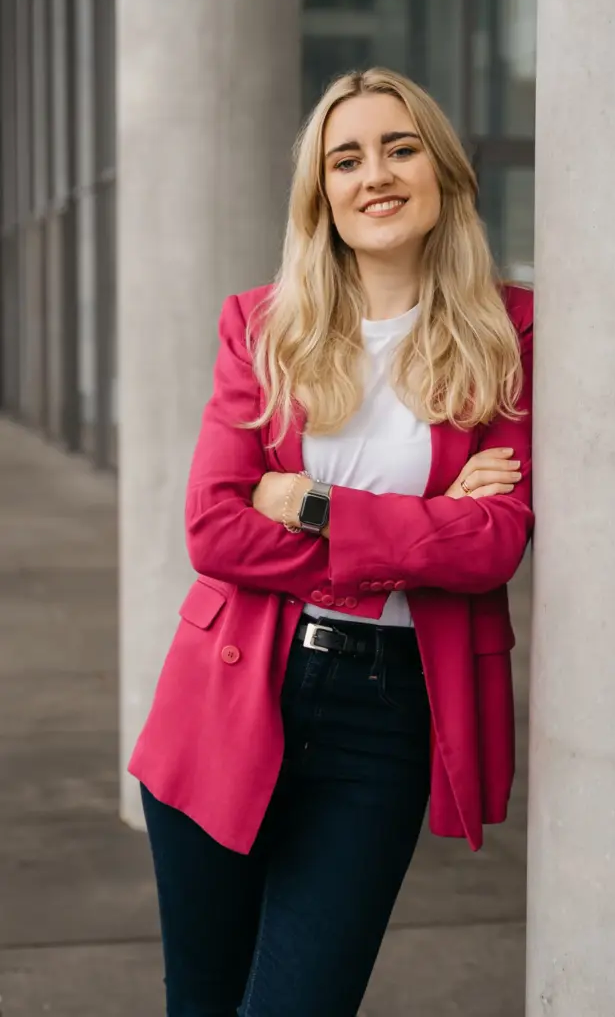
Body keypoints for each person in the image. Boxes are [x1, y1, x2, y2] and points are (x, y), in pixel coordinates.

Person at [129, 66, 534, 1017]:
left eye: (398, 149)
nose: (374, 175)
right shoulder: (263, 326)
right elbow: (214, 526)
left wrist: (310, 504)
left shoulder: (511, 332)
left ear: (440, 170)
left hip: (386, 715)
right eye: (344, 159)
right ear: (323, 195)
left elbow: (491, 547)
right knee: (204, 1003)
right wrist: (421, 527)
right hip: (227, 696)